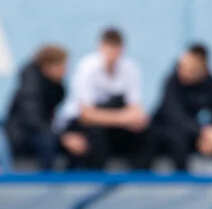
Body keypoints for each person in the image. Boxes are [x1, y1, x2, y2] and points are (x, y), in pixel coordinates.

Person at [55, 28, 150, 170]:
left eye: (116, 49)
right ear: (100, 47)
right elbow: (86, 115)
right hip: (79, 124)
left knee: (145, 133)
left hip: (112, 124)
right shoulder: (87, 68)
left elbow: (137, 112)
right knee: (96, 135)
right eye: (109, 49)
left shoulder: (131, 69)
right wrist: (124, 119)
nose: (112, 55)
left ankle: (140, 180)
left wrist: (129, 119)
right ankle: (95, 181)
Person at [149, 43, 212, 172]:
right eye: (182, 67)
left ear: (203, 69)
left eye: (191, 70)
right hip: (163, 131)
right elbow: (175, 116)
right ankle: (182, 182)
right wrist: (203, 133)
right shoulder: (172, 82)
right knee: (178, 137)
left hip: (192, 131)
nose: (184, 73)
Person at [5, 45, 79, 170]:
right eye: (61, 67)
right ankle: (47, 182)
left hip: (42, 130)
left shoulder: (56, 87)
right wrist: (61, 137)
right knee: (47, 142)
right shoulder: (30, 89)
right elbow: (33, 120)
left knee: (79, 140)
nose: (65, 71)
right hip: (20, 134)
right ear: (47, 68)